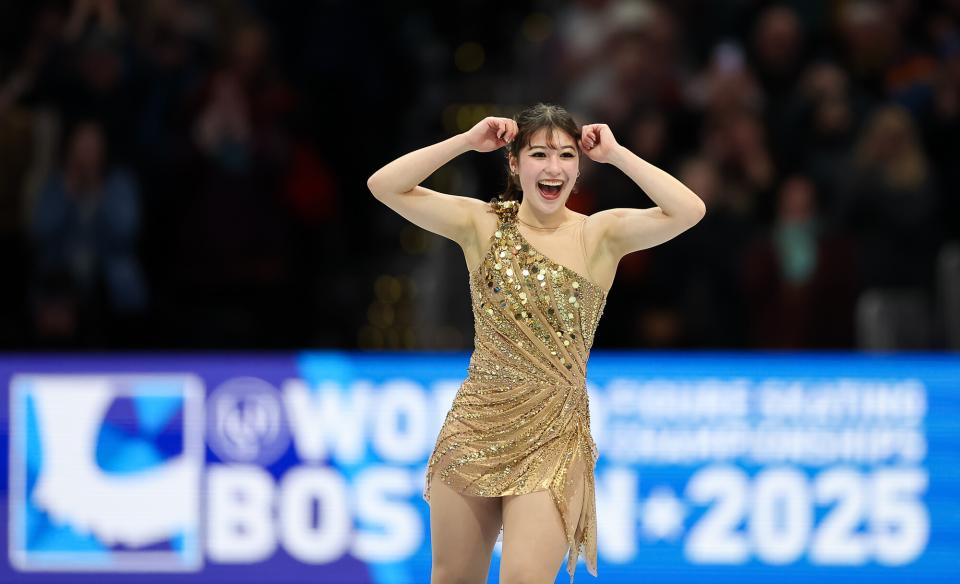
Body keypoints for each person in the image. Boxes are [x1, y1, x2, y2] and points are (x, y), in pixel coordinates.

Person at [367, 103, 705, 583]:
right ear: (513, 163)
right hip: (477, 425)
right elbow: (384, 185)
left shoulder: (598, 235)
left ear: (579, 166)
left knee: (525, 577)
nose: (553, 167)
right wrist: (465, 140)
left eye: (566, 155)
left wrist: (619, 154)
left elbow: (689, 210)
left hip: (553, 433)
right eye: (540, 154)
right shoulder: (481, 223)